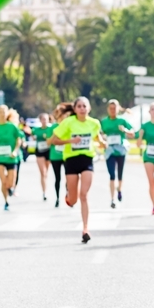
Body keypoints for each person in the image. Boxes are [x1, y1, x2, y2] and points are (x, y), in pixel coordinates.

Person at [50, 97, 105, 243]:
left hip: (87, 160)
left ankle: (85, 228)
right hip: (71, 161)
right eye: (79, 106)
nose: (82, 108)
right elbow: (53, 140)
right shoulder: (68, 122)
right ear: (74, 109)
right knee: (73, 200)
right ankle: (68, 195)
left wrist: (103, 143)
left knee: (84, 195)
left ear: (89, 108)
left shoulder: (94, 123)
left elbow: (97, 138)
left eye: (84, 106)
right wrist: (70, 141)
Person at [101, 99, 135, 208]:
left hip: (120, 150)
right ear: (107, 109)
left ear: (118, 109)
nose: (112, 110)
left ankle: (119, 189)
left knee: (120, 174)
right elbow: (100, 134)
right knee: (112, 175)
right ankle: (112, 199)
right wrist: (103, 139)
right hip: (109, 151)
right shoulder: (104, 122)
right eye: (110, 108)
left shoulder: (122, 121)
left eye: (114, 108)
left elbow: (133, 133)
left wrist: (124, 130)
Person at [0, 105, 22, 210]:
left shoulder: (12, 126)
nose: (2, 114)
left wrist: (15, 151)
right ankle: (6, 201)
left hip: (11, 158)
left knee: (11, 182)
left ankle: (10, 188)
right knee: (4, 181)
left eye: (4, 112)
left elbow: (19, 139)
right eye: (0, 111)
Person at [49, 106, 68, 208]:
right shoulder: (52, 127)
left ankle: (68, 195)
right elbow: (48, 142)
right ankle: (57, 198)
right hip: (55, 156)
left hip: (67, 155)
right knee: (57, 178)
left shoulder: (69, 126)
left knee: (69, 177)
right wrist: (55, 135)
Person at [32, 113, 52, 202]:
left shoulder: (51, 129)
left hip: (49, 151)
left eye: (46, 119)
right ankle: (44, 192)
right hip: (40, 151)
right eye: (43, 119)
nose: (44, 121)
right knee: (43, 173)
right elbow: (32, 136)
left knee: (46, 172)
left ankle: (46, 186)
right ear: (40, 120)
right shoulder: (36, 129)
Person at [8, 109, 25, 197]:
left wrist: (23, 143)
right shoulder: (8, 128)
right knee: (9, 173)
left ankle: (13, 188)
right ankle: (9, 186)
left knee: (16, 173)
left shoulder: (18, 130)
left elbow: (22, 139)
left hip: (17, 155)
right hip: (7, 154)